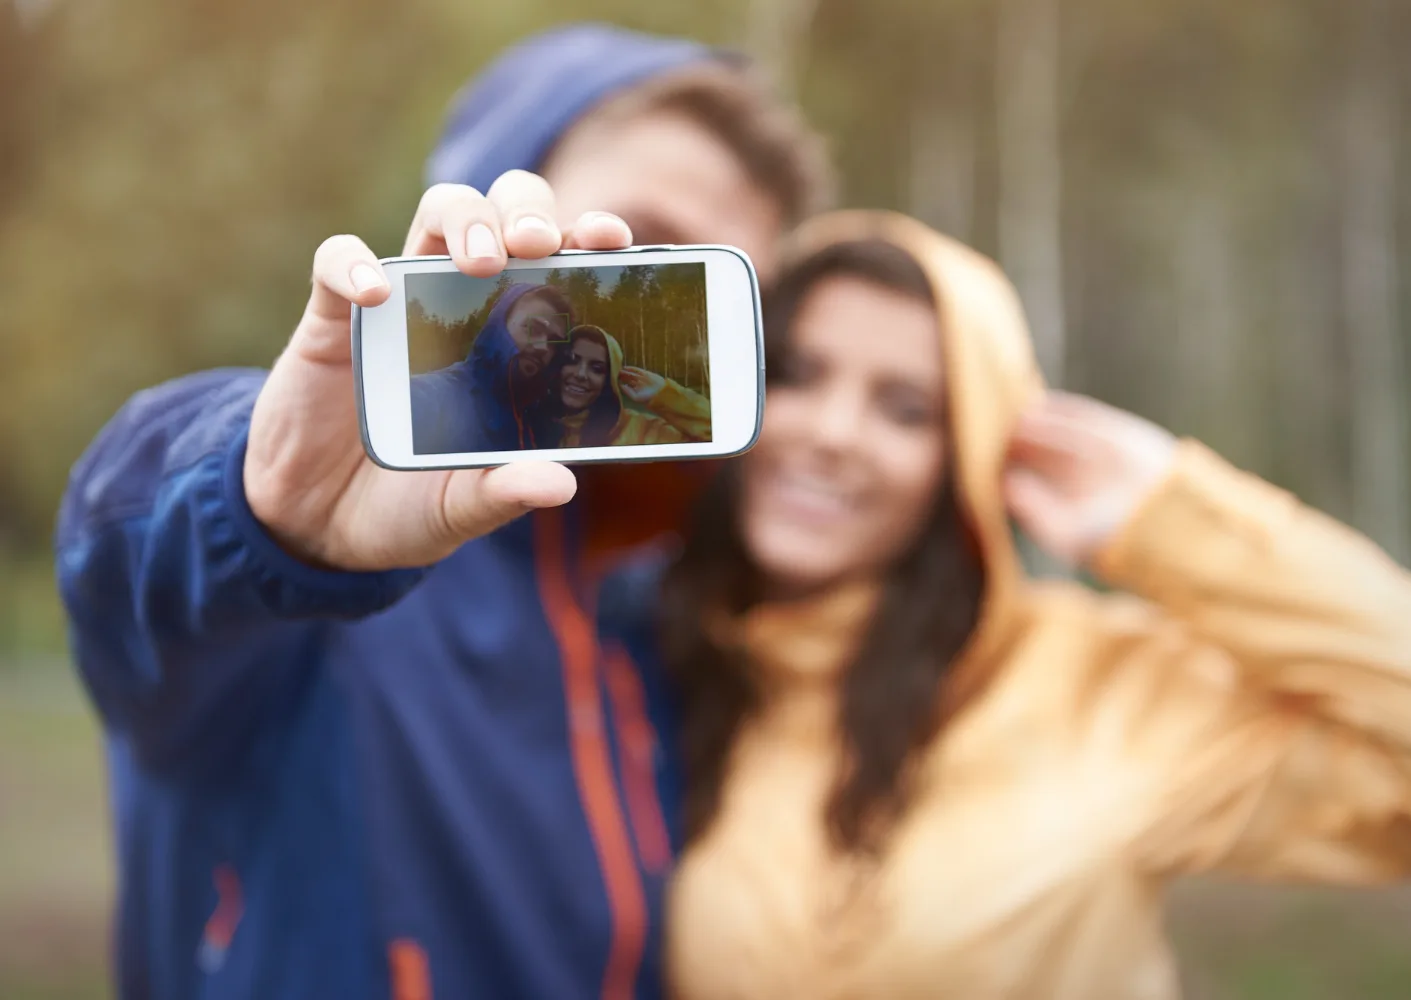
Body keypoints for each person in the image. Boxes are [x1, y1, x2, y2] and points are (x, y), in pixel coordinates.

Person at [54, 22, 829, 1000]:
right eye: (641, 243)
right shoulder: (317, 574)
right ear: (505, 211)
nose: (655, 297)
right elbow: (123, 558)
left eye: (714, 286)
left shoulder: (658, 614)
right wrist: (259, 513)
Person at [594, 211, 1411, 1000]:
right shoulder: (647, 670)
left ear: (970, 453)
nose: (831, 434)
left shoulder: (1098, 683)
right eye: (794, 372)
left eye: (906, 409)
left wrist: (1178, 521)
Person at [410, 282, 575, 454]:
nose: (544, 347)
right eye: (533, 329)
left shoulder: (535, 420)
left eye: (553, 342)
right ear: (498, 326)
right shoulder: (433, 396)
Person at [534, 323, 711, 448]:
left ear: (608, 379)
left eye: (597, 369)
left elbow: (717, 434)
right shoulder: (530, 425)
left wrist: (665, 395)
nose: (580, 374)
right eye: (572, 361)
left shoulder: (644, 431)